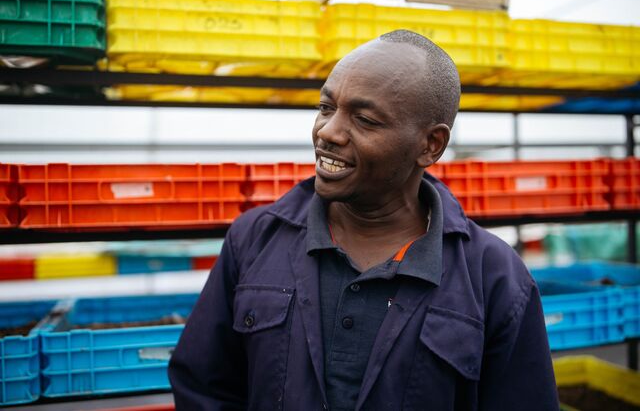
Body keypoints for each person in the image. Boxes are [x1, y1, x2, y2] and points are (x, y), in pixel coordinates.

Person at [169, 29, 559, 411]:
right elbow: (204, 386)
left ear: (430, 145)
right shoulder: (255, 238)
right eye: (326, 107)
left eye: (365, 120)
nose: (329, 132)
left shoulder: (494, 277)